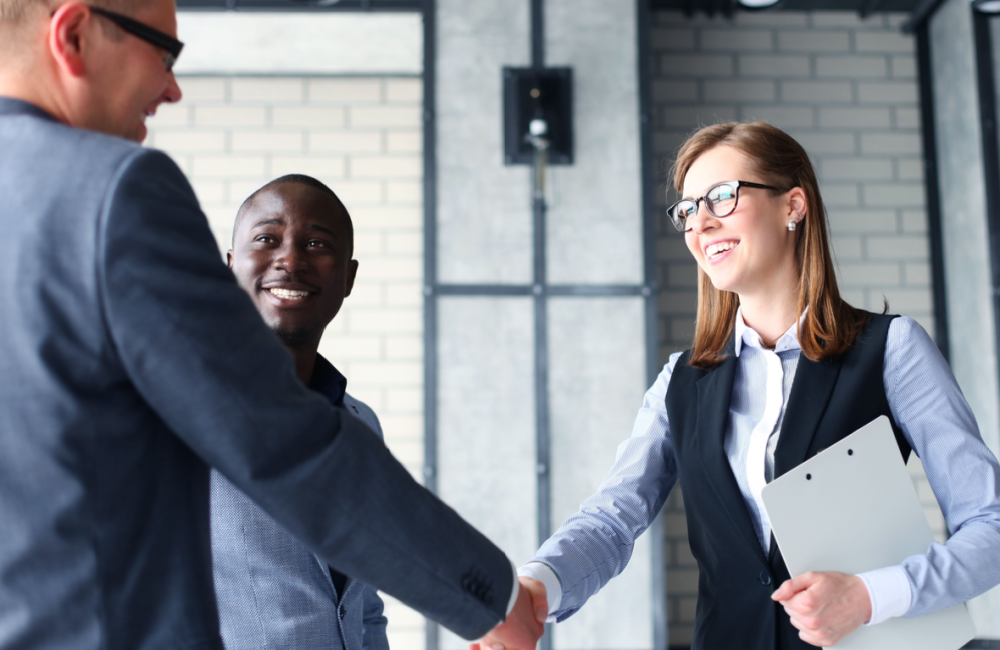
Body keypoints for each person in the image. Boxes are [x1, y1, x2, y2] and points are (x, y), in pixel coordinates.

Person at [0, 1, 544, 648]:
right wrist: (491, 599)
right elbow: (277, 440)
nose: (172, 89)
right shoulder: (111, 190)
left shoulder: (358, 416)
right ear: (73, 34)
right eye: (164, 54)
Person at [481, 121, 1000, 650]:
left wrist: (870, 595)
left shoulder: (891, 350)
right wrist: (533, 588)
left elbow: (991, 525)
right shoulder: (680, 382)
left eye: (722, 197)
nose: (700, 223)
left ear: (793, 205)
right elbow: (611, 518)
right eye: (687, 209)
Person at [212, 175, 390, 650]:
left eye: (316, 243)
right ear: (232, 267)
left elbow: (364, 606)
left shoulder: (361, 425)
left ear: (348, 278)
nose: (290, 260)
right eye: (267, 239)